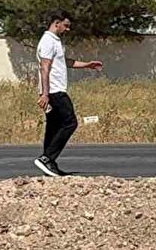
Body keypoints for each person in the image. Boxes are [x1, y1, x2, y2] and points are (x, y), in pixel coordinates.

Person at [33, 10, 103, 177]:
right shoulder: (48, 41)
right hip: (55, 91)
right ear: (56, 23)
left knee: (53, 126)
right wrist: (45, 94)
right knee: (70, 123)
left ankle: (49, 163)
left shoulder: (54, 42)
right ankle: (47, 158)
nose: (67, 29)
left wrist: (87, 65)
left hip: (53, 90)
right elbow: (45, 67)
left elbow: (64, 62)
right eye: (66, 25)